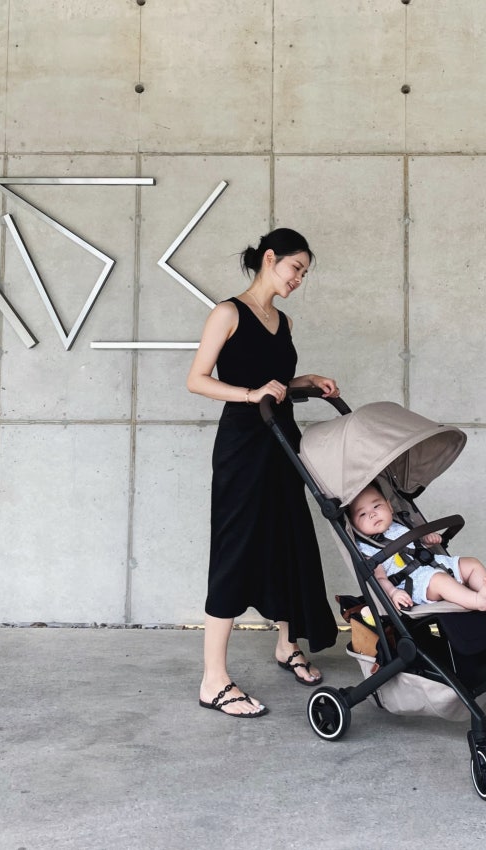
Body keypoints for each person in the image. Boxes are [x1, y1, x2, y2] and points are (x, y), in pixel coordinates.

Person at [187, 227, 340, 718]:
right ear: (270, 258)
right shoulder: (228, 313)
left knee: (289, 539)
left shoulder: (284, 321)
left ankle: (286, 645)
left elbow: (277, 384)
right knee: (235, 549)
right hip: (243, 446)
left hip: (283, 442)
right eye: (296, 268)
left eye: (304, 273)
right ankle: (213, 679)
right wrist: (250, 395)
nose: (299, 279)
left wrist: (306, 381)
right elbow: (197, 380)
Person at [348, 483, 486, 612]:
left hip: (434, 564)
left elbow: (414, 546)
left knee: (471, 563)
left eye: (377, 506)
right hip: (415, 583)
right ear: (353, 525)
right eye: (362, 514)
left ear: (389, 506)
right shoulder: (367, 549)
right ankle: (478, 601)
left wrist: (426, 541)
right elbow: (379, 578)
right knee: (440, 580)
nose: (372, 514)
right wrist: (393, 593)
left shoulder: (400, 525)